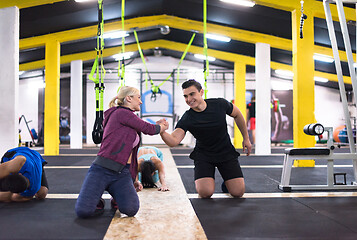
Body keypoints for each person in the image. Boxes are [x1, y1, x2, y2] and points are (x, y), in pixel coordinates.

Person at [75, 86, 168, 218]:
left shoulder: (129, 120)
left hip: (121, 173)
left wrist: (133, 179)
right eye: (139, 98)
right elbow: (149, 129)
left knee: (131, 209)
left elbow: (131, 153)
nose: (141, 102)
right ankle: (97, 196)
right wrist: (163, 127)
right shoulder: (122, 113)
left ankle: (114, 193)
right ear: (128, 98)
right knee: (83, 211)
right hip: (102, 170)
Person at [158, 79, 251, 198]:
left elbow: (237, 114)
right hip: (204, 156)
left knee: (238, 193)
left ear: (201, 92)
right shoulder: (188, 117)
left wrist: (246, 138)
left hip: (226, 152)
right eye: (185, 96)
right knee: (205, 193)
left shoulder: (220, 104)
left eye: (192, 94)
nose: (189, 99)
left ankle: (227, 183)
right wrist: (162, 131)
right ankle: (206, 179)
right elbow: (174, 141)